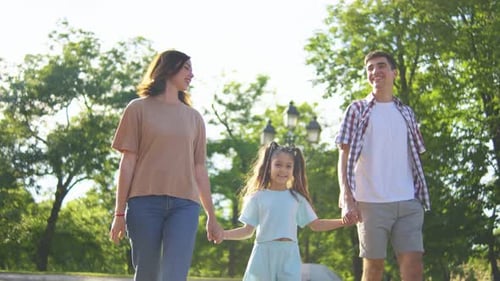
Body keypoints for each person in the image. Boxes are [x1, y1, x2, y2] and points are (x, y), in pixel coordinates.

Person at [109, 49, 223, 281]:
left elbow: (199, 168)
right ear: (169, 68)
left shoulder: (194, 118)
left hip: (185, 206)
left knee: (175, 274)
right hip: (144, 203)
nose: (192, 74)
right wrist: (119, 212)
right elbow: (128, 162)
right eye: (186, 68)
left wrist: (211, 215)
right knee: (147, 273)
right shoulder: (137, 109)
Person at [335, 50, 430, 281]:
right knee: (374, 268)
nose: (375, 71)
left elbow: (416, 154)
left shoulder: (406, 112)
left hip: (407, 201)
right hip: (370, 203)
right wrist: (347, 198)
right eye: (370, 68)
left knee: (414, 266)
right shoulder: (357, 110)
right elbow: (344, 156)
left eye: (381, 66)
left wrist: (418, 196)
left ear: (394, 73)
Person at [219, 141, 351, 281]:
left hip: (289, 255)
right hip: (263, 255)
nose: (283, 170)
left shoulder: (297, 199)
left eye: (288, 166)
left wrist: (343, 221)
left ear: (293, 170)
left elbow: (316, 225)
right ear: (268, 167)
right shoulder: (257, 197)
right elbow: (247, 231)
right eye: (278, 164)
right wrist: (223, 234)